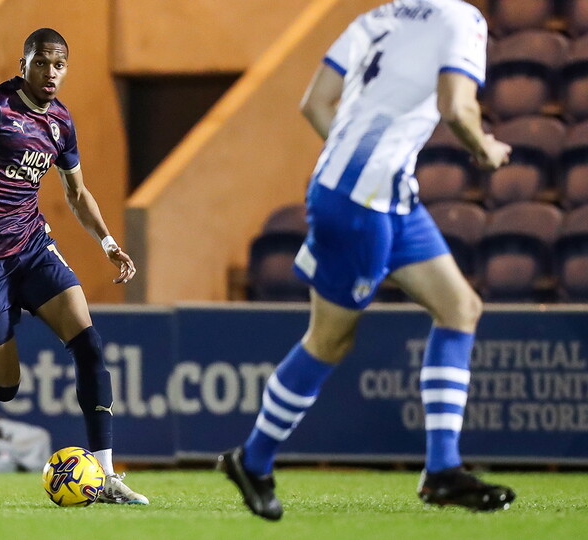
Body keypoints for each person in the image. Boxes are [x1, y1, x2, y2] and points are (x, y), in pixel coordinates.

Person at [220, 0, 516, 521]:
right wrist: (486, 149)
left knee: (460, 308)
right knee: (330, 339)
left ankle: (442, 470)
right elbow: (456, 106)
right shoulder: (461, 18)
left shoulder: (378, 17)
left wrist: (357, 159)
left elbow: (315, 104)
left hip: (384, 193)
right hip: (361, 203)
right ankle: (253, 459)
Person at [0, 28, 146, 505]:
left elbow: (77, 194)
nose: (50, 73)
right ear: (23, 65)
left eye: (59, 65)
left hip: (32, 249)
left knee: (90, 346)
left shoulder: (61, 122)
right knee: (4, 388)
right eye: (41, 63)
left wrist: (107, 241)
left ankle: (103, 475)